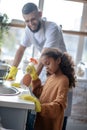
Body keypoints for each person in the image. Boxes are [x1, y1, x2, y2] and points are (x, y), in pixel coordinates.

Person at [5, 2, 70, 130]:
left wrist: (29, 78)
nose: (30, 23)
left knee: (59, 115)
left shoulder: (52, 28)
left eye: (33, 19)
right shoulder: (28, 29)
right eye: (27, 21)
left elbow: (44, 55)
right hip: (50, 73)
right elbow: (21, 49)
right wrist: (13, 70)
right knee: (44, 104)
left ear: (40, 14)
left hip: (61, 71)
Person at [20, 48, 76, 130]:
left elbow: (59, 106)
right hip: (41, 119)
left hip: (51, 124)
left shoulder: (63, 80)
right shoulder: (51, 76)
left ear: (58, 60)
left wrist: (41, 107)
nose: (46, 67)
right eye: (44, 65)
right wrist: (34, 77)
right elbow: (40, 93)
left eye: (48, 63)